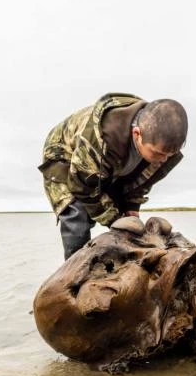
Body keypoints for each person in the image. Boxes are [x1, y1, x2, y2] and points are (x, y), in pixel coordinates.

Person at [40, 93, 188, 259]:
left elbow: (139, 182)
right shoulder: (101, 139)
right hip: (64, 157)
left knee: (126, 218)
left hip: (109, 165)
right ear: (137, 134)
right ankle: (76, 270)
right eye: (158, 153)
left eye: (169, 155)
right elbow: (82, 188)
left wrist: (131, 210)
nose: (163, 159)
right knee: (77, 214)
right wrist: (114, 220)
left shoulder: (159, 145)